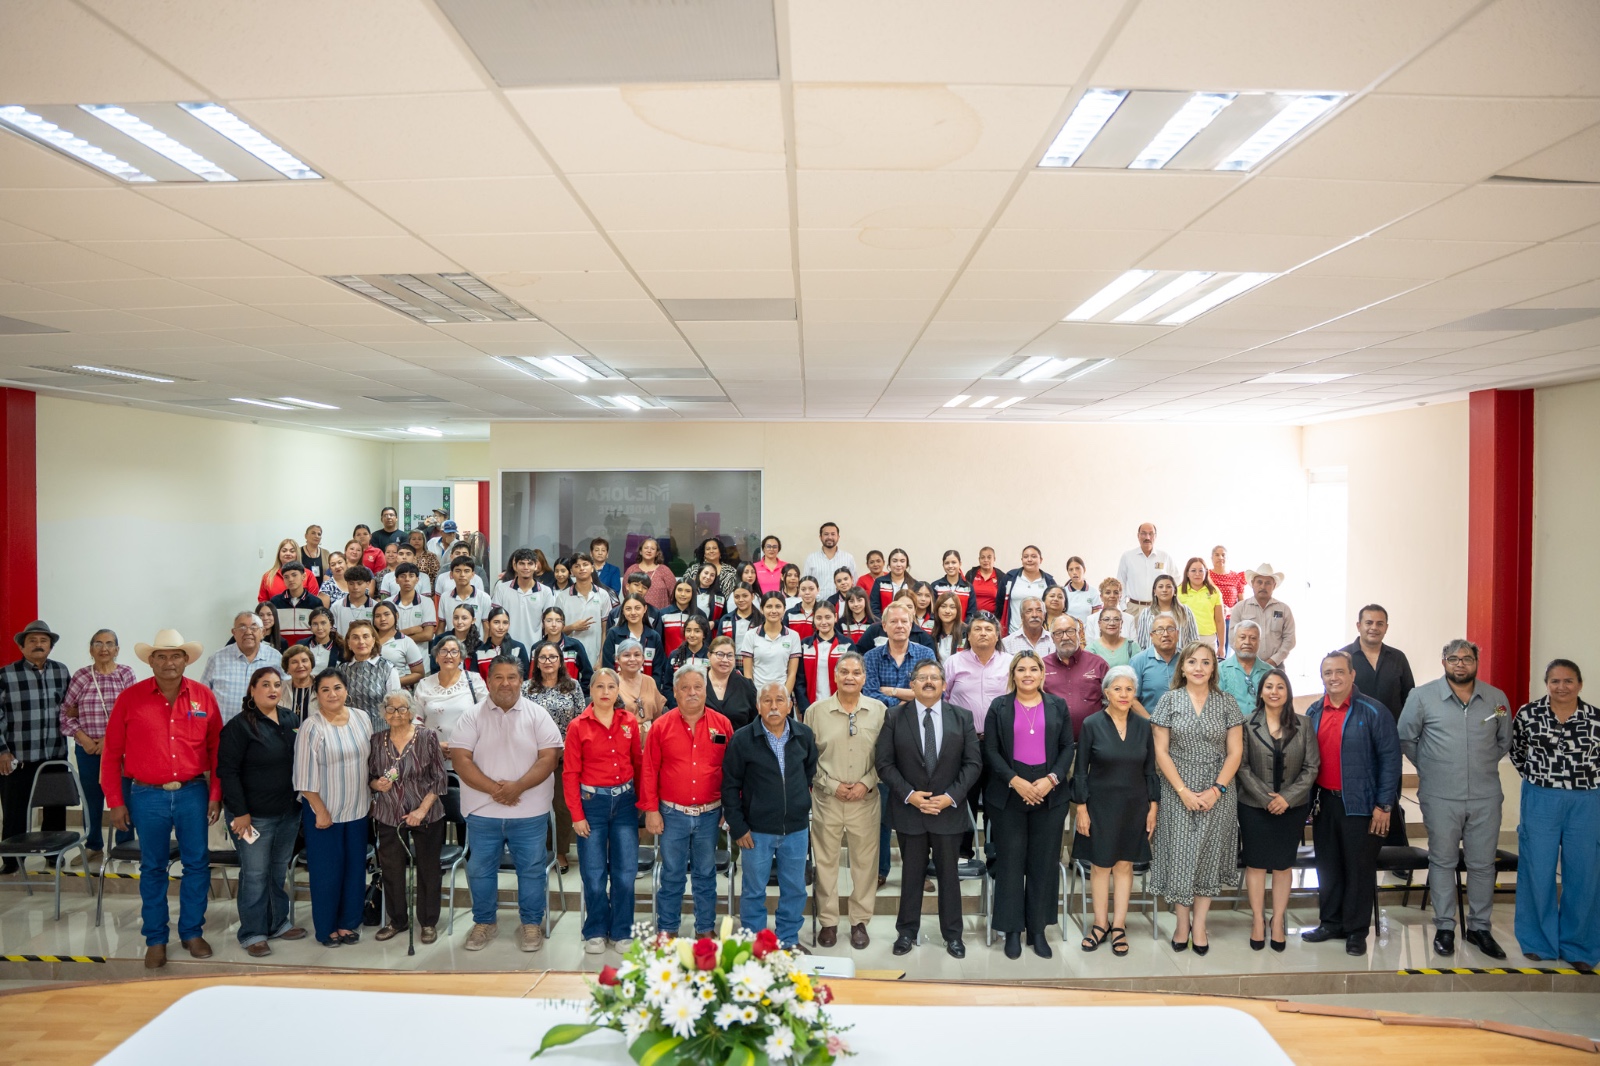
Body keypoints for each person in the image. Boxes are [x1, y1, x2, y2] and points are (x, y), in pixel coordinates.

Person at [101, 629, 223, 968]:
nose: (169, 662)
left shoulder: (203, 697)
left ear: (186, 660)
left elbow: (216, 752)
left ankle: (191, 932)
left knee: (197, 864)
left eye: (176, 656)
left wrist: (216, 794)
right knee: (153, 867)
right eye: (161, 656)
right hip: (146, 796)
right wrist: (116, 801)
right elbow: (111, 754)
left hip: (193, 794)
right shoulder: (131, 698)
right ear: (151, 661)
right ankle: (155, 938)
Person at [1398, 639, 1513, 959]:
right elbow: (1407, 738)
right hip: (1440, 795)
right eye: (1453, 658)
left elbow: (1504, 740)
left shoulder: (1496, 699)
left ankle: (1480, 928)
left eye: (1466, 658)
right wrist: (1433, 766)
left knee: (1481, 864)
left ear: (1477, 661)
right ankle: (1445, 927)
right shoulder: (1421, 697)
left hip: (1485, 796)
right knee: (1443, 861)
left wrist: (1478, 764)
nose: (1460, 663)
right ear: (1443, 661)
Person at [452, 656, 563, 952]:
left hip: (529, 811)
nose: (505, 683)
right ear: (488, 682)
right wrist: (496, 790)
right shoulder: (471, 716)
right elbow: (460, 760)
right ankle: (485, 922)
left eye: (511, 677)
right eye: (498, 678)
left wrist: (518, 788)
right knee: (479, 870)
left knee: (531, 870)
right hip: (482, 811)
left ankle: (530, 924)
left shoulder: (538, 715)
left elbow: (549, 758)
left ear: (521, 681)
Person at [876, 658, 981, 958]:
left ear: (945, 685)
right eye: (922, 677)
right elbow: (884, 763)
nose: (929, 682)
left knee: (949, 876)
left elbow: (973, 763)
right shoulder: (895, 717)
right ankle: (906, 933)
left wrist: (951, 797)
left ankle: (953, 936)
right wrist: (910, 795)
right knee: (911, 876)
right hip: (910, 811)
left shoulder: (961, 717)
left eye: (935, 677)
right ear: (912, 684)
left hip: (948, 810)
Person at [1303, 650, 1401, 957]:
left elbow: (1390, 759)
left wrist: (1384, 805)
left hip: (1363, 806)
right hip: (1325, 803)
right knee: (1328, 867)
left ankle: (1357, 930)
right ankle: (1330, 922)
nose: (1334, 677)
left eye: (1339, 671)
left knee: (1359, 870)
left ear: (1352, 674)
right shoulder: (1314, 711)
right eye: (1328, 672)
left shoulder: (1374, 711)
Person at [1148, 641, 1244, 955]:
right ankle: (1181, 924)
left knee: (1207, 857)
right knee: (1180, 856)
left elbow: (1235, 752)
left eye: (1206, 662)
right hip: (1178, 788)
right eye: (1192, 662)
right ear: (1183, 668)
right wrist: (1182, 791)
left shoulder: (1227, 702)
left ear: (1213, 668)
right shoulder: (1169, 700)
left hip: (1219, 789)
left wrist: (1217, 789)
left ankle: (1200, 925)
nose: (1199, 668)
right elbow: (1160, 751)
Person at [983, 651, 1074, 960]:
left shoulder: (1057, 705)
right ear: (1013, 674)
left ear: (1041, 674)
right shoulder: (999, 707)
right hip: (1009, 794)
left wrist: (1052, 779)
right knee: (1010, 863)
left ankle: (1037, 929)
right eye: (1020, 669)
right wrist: (1015, 781)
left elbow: (1066, 748)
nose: (1027, 674)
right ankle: (1011, 929)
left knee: (1043, 864)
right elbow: (991, 750)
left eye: (1033, 669)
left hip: (1050, 794)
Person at [1511, 659, 1599, 973]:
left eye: (1568, 681)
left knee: (1584, 873)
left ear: (1580, 683)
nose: (1561, 687)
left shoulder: (1595, 719)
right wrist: (1541, 779)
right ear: (1546, 683)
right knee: (1538, 868)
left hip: (1586, 801)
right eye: (1555, 681)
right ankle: (1538, 942)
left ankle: (1580, 947)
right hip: (1540, 798)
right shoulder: (1528, 714)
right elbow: (1517, 751)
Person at [217, 666, 307, 956]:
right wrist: (240, 813)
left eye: (277, 684)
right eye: (265, 684)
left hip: (287, 812)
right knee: (255, 874)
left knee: (277, 870)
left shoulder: (290, 718)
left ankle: (278, 922)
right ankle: (253, 932)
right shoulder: (239, 726)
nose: (272, 689)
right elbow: (227, 772)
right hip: (252, 816)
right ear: (252, 690)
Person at [725, 683, 819, 951]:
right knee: (754, 891)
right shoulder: (743, 739)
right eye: (767, 701)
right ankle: (756, 944)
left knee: (795, 889)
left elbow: (809, 773)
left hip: (796, 829)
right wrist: (739, 827)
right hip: (755, 831)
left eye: (780, 700)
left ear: (790, 705)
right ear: (758, 706)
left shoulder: (804, 735)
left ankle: (788, 940)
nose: (774, 706)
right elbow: (730, 786)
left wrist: (800, 804)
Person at [640, 665, 732, 938]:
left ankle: (705, 929)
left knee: (705, 875)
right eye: (685, 688)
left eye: (698, 687)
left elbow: (732, 771)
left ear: (705, 690)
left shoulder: (722, 725)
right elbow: (648, 770)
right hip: (672, 815)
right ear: (675, 693)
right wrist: (651, 811)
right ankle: (667, 929)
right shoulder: (661, 726)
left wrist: (730, 809)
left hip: (710, 815)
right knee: (672, 875)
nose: (692, 692)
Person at [1071, 666, 1157, 958]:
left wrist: (1153, 807)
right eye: (1117, 689)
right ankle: (1099, 924)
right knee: (1100, 866)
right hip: (1099, 806)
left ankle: (1118, 926)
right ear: (1106, 693)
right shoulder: (1092, 724)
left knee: (1124, 866)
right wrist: (1081, 808)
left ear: (1135, 694)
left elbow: (1150, 771)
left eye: (1129, 689)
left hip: (1135, 806)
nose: (1123, 694)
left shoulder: (1144, 727)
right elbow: (1080, 770)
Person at [804, 652, 885, 950]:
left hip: (866, 799)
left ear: (864, 677)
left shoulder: (879, 711)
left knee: (865, 864)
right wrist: (831, 784)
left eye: (856, 672)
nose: (850, 677)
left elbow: (887, 757)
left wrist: (866, 782)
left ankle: (859, 921)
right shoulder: (815, 711)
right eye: (844, 672)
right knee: (826, 863)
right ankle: (828, 922)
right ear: (835, 676)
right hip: (828, 799)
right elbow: (808, 758)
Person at [1236, 668, 1318, 953]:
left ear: (1288, 692)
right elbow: (1242, 766)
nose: (1274, 691)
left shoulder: (1304, 724)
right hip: (1253, 806)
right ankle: (1258, 920)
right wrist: (1265, 797)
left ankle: (1278, 920)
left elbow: (1311, 768)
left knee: (1284, 866)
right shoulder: (1246, 724)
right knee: (1256, 864)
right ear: (1260, 692)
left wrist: (1286, 798)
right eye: (1268, 686)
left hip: (1292, 808)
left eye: (1280, 687)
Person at [564, 667, 643, 953]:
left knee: (624, 872)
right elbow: (570, 773)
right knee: (593, 871)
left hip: (624, 804)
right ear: (591, 691)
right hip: (591, 804)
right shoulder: (577, 726)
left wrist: (642, 802)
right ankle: (595, 928)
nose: (606, 692)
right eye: (600, 687)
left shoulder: (628, 722)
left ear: (617, 691)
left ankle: (622, 930)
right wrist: (577, 815)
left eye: (611, 687)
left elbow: (638, 763)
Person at [292, 668, 373, 948]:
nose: (332, 694)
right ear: (317, 695)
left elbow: (370, 761)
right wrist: (320, 810)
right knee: (327, 873)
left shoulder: (362, 718)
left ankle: (349, 923)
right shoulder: (311, 726)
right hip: (324, 812)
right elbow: (303, 777)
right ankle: (326, 929)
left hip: (358, 809)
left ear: (346, 690)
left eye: (337, 687)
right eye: (325, 689)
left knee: (354, 870)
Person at [367, 692, 448, 945]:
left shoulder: (427, 737)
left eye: (402, 709)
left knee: (428, 869)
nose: (396, 714)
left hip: (426, 813)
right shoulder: (376, 739)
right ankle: (397, 920)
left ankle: (428, 922)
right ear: (383, 713)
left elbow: (440, 779)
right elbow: (369, 775)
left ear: (412, 712)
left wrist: (421, 811)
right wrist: (377, 784)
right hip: (389, 814)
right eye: (390, 709)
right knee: (391, 869)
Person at [59, 628, 137, 861]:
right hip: (88, 751)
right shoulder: (81, 676)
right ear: (91, 649)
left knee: (123, 797)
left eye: (109, 643)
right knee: (91, 798)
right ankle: (94, 844)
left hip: (119, 751)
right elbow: (65, 713)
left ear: (117, 649)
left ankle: (125, 845)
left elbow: (134, 713)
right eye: (98, 643)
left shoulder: (126, 674)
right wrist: (81, 737)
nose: (104, 648)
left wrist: (109, 741)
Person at [0, 621, 72, 871]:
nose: (38, 645)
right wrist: (2, 750)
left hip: (54, 754)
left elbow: (69, 708)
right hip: (18, 755)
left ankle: (53, 854)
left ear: (51, 647)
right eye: (32, 641)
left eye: (44, 641)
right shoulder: (5, 674)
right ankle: (11, 860)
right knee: (14, 810)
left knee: (55, 808)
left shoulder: (62, 672)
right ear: (22, 646)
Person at [526, 640, 587, 874]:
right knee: (535, 806)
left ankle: (560, 851)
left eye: (553, 657)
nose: (548, 661)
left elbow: (581, 720)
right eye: (543, 657)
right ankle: (539, 850)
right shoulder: (526, 688)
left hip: (565, 756)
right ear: (536, 662)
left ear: (560, 661)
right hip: (533, 758)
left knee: (562, 807)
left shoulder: (572, 686)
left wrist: (566, 746)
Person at [202, 612, 283, 724]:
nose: (248, 632)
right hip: (224, 731)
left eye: (254, 627)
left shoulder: (276, 658)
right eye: (242, 627)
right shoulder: (217, 659)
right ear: (234, 633)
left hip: (264, 733)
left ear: (263, 632)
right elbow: (203, 697)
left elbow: (285, 694)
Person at [1343, 604, 1416, 721]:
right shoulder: (1343, 657)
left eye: (1380, 624)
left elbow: (1409, 697)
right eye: (1369, 623)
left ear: (1386, 628)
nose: (1374, 628)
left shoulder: (1398, 657)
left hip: (1392, 731)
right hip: (1354, 731)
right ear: (1358, 626)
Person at [1042, 616, 1108, 739]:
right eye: (1059, 633)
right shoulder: (1042, 666)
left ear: (1079, 633)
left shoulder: (1098, 664)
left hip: (1093, 741)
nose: (1065, 637)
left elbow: (1110, 702)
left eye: (1070, 631)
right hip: (1055, 743)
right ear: (1052, 638)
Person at [863, 603, 937, 712]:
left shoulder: (925, 655)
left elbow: (931, 692)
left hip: (917, 718)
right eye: (893, 621)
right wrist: (902, 703)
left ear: (910, 625)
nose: (899, 626)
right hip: (881, 719)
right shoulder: (871, 657)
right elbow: (870, 694)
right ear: (884, 626)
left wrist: (893, 691)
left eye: (904, 621)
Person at [413, 635, 484, 748]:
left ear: (461, 657)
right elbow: (415, 721)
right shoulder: (424, 684)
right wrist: (435, 746)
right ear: (436, 657)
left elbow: (486, 716)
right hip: (433, 753)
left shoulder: (474, 680)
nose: (448, 655)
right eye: (443, 651)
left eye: (454, 651)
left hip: (469, 751)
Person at [339, 620, 403, 732]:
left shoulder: (387, 668)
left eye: (365, 636)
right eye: (355, 637)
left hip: (380, 733)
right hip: (349, 733)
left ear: (373, 641)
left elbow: (396, 705)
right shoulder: (341, 670)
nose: (361, 641)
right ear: (348, 643)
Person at [1231, 564, 1296, 667]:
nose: (1263, 586)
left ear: (1274, 585)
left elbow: (1290, 639)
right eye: (1259, 582)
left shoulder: (1284, 609)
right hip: (1246, 665)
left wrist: (1273, 661)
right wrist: (1249, 659)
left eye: (1268, 583)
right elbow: (1232, 638)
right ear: (1252, 584)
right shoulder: (1240, 608)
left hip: (1276, 666)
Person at [558, 552, 615, 668]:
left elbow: (606, 630)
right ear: (571, 571)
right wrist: (572, 627)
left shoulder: (603, 595)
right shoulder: (562, 597)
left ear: (592, 568)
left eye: (585, 564)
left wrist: (601, 659)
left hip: (595, 656)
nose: (581, 568)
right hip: (568, 657)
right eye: (577, 566)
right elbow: (554, 631)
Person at [494, 547, 555, 651]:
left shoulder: (546, 592)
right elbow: (494, 621)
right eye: (522, 563)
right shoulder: (501, 589)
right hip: (506, 649)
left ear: (536, 566)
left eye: (530, 564)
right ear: (515, 566)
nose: (526, 567)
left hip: (535, 649)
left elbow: (549, 624)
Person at [740, 591, 801, 695]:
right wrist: (756, 697)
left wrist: (784, 697)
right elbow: (748, 674)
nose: (773, 611)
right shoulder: (750, 635)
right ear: (762, 609)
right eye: (769, 606)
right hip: (757, 696)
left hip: (782, 696)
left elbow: (792, 674)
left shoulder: (793, 636)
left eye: (778, 606)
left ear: (784, 609)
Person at [1115, 523, 1174, 621]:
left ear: (1155, 536)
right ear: (1138, 535)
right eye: (1143, 533)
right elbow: (1121, 583)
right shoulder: (1128, 556)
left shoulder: (1164, 556)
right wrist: (1124, 608)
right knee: (1133, 637)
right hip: (1134, 609)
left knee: (1158, 636)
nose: (1147, 537)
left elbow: (1175, 581)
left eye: (1151, 534)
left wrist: (1168, 604)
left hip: (1158, 609)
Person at [798, 601, 851, 709]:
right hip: (812, 707)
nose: (823, 622)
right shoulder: (804, 645)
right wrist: (805, 708)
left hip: (841, 707)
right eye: (819, 618)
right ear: (813, 619)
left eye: (828, 617)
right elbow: (799, 681)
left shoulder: (847, 644)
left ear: (835, 617)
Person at [602, 594, 666, 678]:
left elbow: (658, 670)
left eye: (637, 608)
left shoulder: (654, 637)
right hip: (619, 688)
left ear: (645, 609)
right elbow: (608, 668)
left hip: (647, 688)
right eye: (628, 609)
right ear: (623, 611)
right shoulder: (613, 634)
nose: (633, 612)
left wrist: (652, 689)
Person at [703, 635, 759, 730]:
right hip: (703, 742)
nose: (725, 660)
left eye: (729, 655)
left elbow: (755, 722)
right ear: (709, 655)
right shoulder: (698, 684)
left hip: (738, 742)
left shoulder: (746, 686)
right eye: (720, 654)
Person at [1218, 621, 1271, 715]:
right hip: (1230, 727)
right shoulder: (1220, 670)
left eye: (1253, 638)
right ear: (1234, 641)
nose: (1247, 642)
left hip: (1262, 727)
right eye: (1242, 637)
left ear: (1259, 642)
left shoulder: (1270, 672)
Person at [998, 546, 1055, 634]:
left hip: (1040, 634)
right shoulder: (1010, 578)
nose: (1029, 559)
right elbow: (1000, 603)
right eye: (1025, 557)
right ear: (1022, 560)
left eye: (1033, 556)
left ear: (1041, 560)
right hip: (1013, 632)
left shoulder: (1049, 581)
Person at [1130, 614, 1180, 712]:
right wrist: (1151, 723)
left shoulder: (1187, 659)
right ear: (1152, 636)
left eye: (1170, 629)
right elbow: (1132, 699)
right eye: (1159, 630)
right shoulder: (1138, 661)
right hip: (1149, 723)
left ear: (1177, 633)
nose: (1165, 634)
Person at [1131, 575, 1197, 649]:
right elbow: (1141, 643)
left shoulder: (1185, 611)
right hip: (1152, 659)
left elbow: (1194, 641)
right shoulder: (1146, 613)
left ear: (1175, 590)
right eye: (1160, 587)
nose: (1164, 590)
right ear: (1154, 591)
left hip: (1179, 658)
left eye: (1168, 586)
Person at [372, 601, 425, 689]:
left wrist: (393, 682)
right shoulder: (367, 640)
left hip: (396, 693)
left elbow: (419, 673)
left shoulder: (406, 641)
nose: (382, 619)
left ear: (396, 616)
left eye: (387, 614)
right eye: (377, 616)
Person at [539, 606, 594, 691]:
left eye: (558, 621)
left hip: (569, 696)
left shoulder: (575, 646)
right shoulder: (537, 648)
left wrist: (577, 693)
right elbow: (533, 676)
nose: (553, 625)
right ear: (543, 623)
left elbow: (588, 676)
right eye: (549, 621)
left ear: (563, 624)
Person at [1177, 558, 1224, 652]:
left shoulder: (1214, 591)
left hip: (1208, 638)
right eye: (1193, 571)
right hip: (1186, 637)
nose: (1197, 574)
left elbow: (1219, 620)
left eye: (1201, 571)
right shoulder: (1179, 591)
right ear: (1187, 573)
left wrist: (1222, 646)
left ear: (1206, 572)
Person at [664, 616, 713, 706]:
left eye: (697, 631)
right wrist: (676, 705)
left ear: (704, 634)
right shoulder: (674, 656)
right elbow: (667, 686)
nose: (692, 635)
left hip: (704, 707)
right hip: (678, 707)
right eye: (688, 630)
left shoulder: (711, 656)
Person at [440, 556, 494, 637]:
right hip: (451, 646)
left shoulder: (484, 598)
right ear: (451, 574)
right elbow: (441, 627)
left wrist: (484, 649)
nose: (462, 575)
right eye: (458, 571)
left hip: (476, 646)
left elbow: (487, 628)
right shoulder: (445, 597)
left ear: (472, 574)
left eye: (466, 571)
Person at [472, 605, 529, 679]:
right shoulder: (479, 652)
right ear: (489, 624)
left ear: (509, 625)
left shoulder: (518, 648)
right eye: (496, 622)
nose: (501, 627)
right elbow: (474, 680)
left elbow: (524, 678)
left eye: (505, 623)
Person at [388, 562, 437, 647]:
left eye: (411, 576)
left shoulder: (427, 602)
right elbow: (385, 634)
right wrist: (412, 630)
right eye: (402, 576)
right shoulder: (388, 603)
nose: (407, 579)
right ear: (396, 580)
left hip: (420, 656)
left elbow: (428, 635)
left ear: (417, 579)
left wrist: (397, 636)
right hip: (394, 655)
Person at [622, 538, 673, 610]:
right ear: (640, 551)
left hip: (660, 617)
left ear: (657, 553)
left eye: (652, 549)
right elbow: (626, 592)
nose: (649, 551)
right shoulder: (632, 570)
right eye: (646, 548)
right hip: (635, 616)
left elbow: (673, 594)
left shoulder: (665, 571)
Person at [801, 521, 857, 586]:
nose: (829, 537)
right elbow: (804, 583)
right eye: (826, 534)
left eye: (833, 534)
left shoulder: (848, 558)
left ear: (838, 537)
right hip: (818, 596)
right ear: (820, 537)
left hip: (842, 596)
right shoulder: (811, 558)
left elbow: (854, 583)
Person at [867, 548, 913, 619]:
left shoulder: (913, 584)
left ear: (907, 564)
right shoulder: (879, 582)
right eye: (895, 561)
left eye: (902, 561)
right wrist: (883, 623)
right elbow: (874, 607)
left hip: (907, 625)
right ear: (889, 564)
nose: (898, 564)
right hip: (883, 625)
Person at [330, 565, 377, 635]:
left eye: (359, 583)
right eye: (351, 583)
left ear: (368, 583)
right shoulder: (336, 607)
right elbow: (331, 632)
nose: (355, 587)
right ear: (347, 584)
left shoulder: (375, 607)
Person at [660, 581, 701, 656]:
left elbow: (706, 641)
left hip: (694, 663)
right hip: (669, 662)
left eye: (688, 591)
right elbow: (659, 642)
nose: (683, 594)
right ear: (674, 591)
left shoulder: (700, 614)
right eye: (679, 590)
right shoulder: (663, 614)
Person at [932, 550, 975, 620]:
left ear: (960, 564)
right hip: (941, 630)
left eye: (954, 562)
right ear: (943, 565)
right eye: (947, 563)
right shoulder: (936, 586)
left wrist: (964, 629)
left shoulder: (969, 587)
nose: (950, 566)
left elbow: (971, 613)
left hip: (962, 629)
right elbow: (933, 611)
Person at [299, 607, 345, 672]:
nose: (319, 628)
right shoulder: (301, 645)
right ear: (310, 626)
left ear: (331, 624)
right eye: (315, 624)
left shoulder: (341, 648)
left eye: (323, 623)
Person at [280, 644, 317, 719]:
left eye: (304, 661)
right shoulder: (280, 688)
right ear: (287, 668)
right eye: (294, 662)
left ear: (311, 664)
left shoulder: (322, 686)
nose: (300, 665)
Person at [929, 593, 967, 663]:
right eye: (943, 606)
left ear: (958, 611)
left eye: (952, 607)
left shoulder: (967, 633)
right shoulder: (932, 633)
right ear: (937, 609)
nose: (947, 611)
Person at [1207, 545, 1248, 611]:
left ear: (1227, 558)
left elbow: (1242, 603)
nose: (1220, 558)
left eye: (1223, 555)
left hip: (1231, 618)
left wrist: (1229, 610)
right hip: (1209, 617)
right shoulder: (1205, 575)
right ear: (1212, 558)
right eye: (1217, 555)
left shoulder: (1236, 576)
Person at [1061, 556, 1100, 622]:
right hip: (1069, 630)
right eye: (1071, 570)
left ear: (1084, 570)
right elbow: (1060, 614)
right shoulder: (1062, 592)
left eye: (1077, 568)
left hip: (1088, 631)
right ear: (1068, 572)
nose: (1074, 572)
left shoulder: (1093, 592)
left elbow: (1096, 617)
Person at [966, 546, 1001, 618]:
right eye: (982, 557)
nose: (986, 560)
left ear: (994, 559)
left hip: (993, 619)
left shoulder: (1001, 577)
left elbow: (1002, 602)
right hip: (973, 618)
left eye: (989, 557)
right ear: (979, 560)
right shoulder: (971, 574)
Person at [785, 576, 821, 641]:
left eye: (811, 589)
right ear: (799, 590)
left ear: (818, 590)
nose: (807, 592)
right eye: (803, 589)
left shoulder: (823, 612)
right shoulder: (790, 613)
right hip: (795, 650)